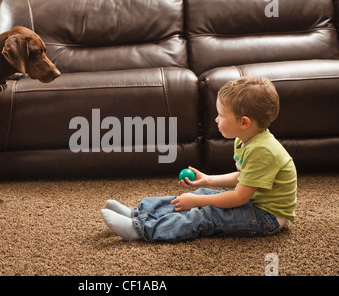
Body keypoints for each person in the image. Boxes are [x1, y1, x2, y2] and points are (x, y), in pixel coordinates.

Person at [100, 76, 297, 242]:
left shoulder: (263, 150)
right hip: (254, 203)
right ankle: (139, 213)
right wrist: (209, 179)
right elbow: (244, 176)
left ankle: (140, 230)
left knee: (204, 214)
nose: (216, 119)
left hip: (266, 217)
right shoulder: (247, 140)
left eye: (221, 115)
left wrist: (197, 201)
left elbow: (240, 196)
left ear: (244, 122)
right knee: (202, 194)